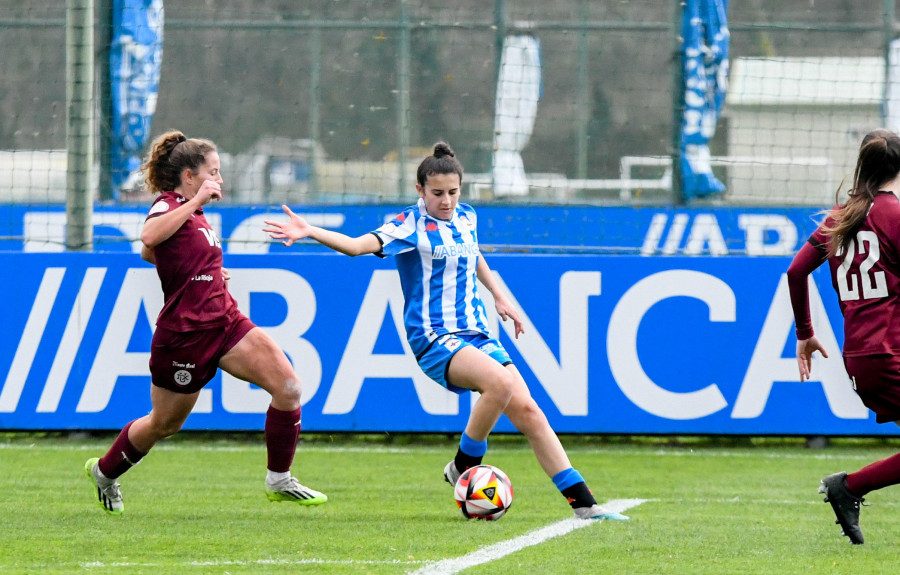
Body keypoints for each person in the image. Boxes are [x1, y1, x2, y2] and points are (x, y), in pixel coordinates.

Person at [263, 142, 627, 520]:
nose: (447, 201)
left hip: (477, 333)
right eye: (437, 193)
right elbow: (357, 246)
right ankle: (463, 465)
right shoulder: (408, 225)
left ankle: (585, 506)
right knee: (499, 386)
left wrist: (500, 296)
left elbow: (473, 253)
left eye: (453, 192)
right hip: (435, 337)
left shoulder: (466, 217)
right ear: (420, 190)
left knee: (529, 411)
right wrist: (309, 230)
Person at [84, 130, 327, 515]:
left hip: (225, 322)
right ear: (190, 177)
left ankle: (279, 479)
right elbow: (147, 239)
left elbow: (157, 253)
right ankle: (104, 471)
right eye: (213, 172)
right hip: (184, 336)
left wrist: (205, 272)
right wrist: (196, 205)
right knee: (164, 424)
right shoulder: (170, 205)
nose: (220, 181)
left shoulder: (194, 213)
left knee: (289, 387)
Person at [787, 128, 900, 544]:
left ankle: (848, 488)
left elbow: (796, 272)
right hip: (891, 353)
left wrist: (805, 332)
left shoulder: (843, 217)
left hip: (862, 355)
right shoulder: (894, 216)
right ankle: (848, 487)